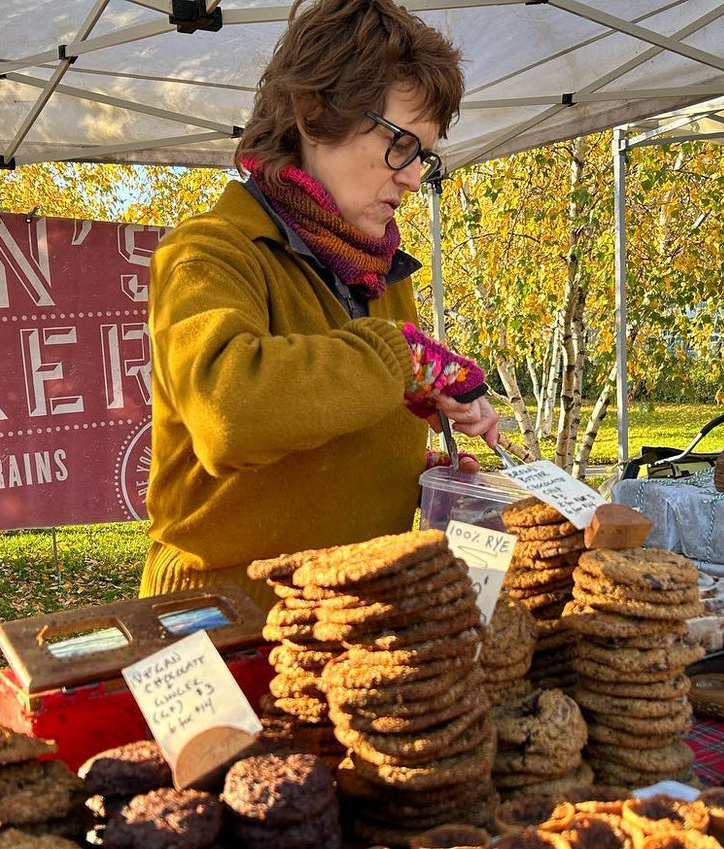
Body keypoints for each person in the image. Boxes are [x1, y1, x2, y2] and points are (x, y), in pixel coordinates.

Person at [139, 0, 500, 605]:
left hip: (351, 610)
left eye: (425, 156)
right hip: (227, 616)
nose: (414, 178)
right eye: (402, 144)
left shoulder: (379, 272)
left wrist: (420, 477)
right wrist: (401, 357)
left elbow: (334, 419)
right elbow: (229, 414)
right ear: (315, 114)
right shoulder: (208, 254)